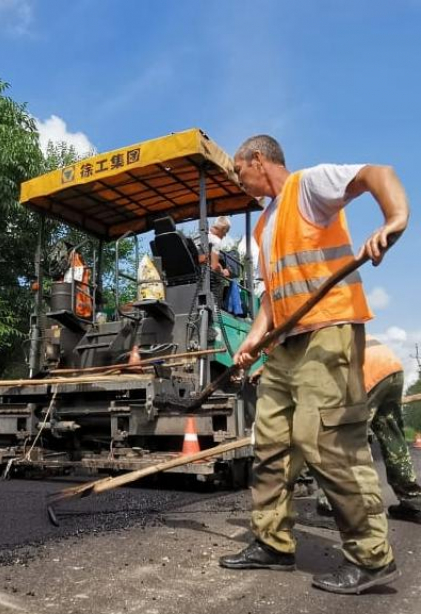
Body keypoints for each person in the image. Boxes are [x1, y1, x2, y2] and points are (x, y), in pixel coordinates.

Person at [219, 134, 409, 594]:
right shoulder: (265, 226)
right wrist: (253, 341)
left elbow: (377, 173)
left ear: (258, 159)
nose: (238, 182)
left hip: (329, 330)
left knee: (324, 439)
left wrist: (395, 218)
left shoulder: (308, 186)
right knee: (270, 443)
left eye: (239, 172)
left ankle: (370, 556)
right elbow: (271, 298)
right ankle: (273, 542)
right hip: (285, 344)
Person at [315, 336, 421, 523]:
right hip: (391, 367)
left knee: (346, 439)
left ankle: (341, 503)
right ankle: (413, 500)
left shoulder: (302, 340)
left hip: (368, 371)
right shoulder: (334, 325)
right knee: (392, 436)